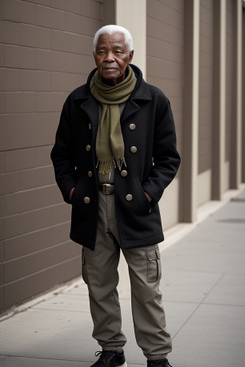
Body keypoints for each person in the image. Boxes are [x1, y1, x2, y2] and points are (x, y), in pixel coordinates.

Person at [51, 24, 181, 367]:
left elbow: (168, 159)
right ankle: (111, 350)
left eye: (117, 52)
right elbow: (61, 155)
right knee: (99, 284)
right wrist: (72, 191)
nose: (109, 58)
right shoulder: (78, 100)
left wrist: (148, 194)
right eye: (102, 51)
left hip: (136, 209)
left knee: (147, 288)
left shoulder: (154, 100)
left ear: (130, 56)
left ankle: (157, 357)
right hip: (92, 207)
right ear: (95, 55)